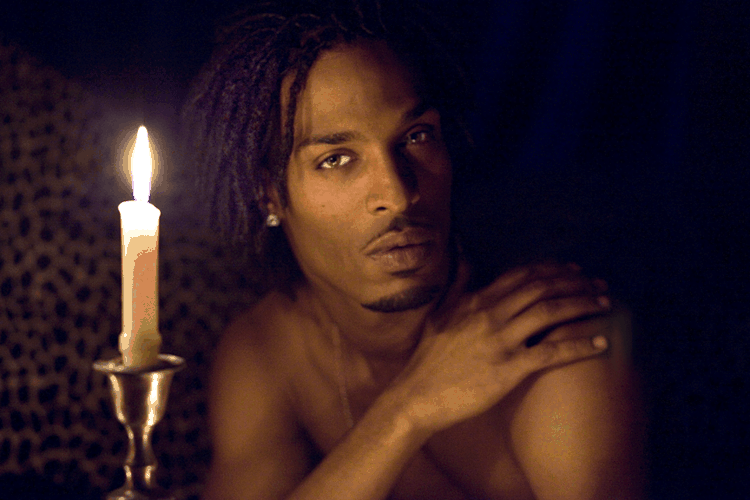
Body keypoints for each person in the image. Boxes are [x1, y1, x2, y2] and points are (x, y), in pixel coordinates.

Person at [182, 1, 644, 498]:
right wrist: (407, 410)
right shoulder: (270, 350)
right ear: (268, 194)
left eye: (416, 136)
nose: (398, 195)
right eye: (336, 159)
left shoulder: (555, 347)